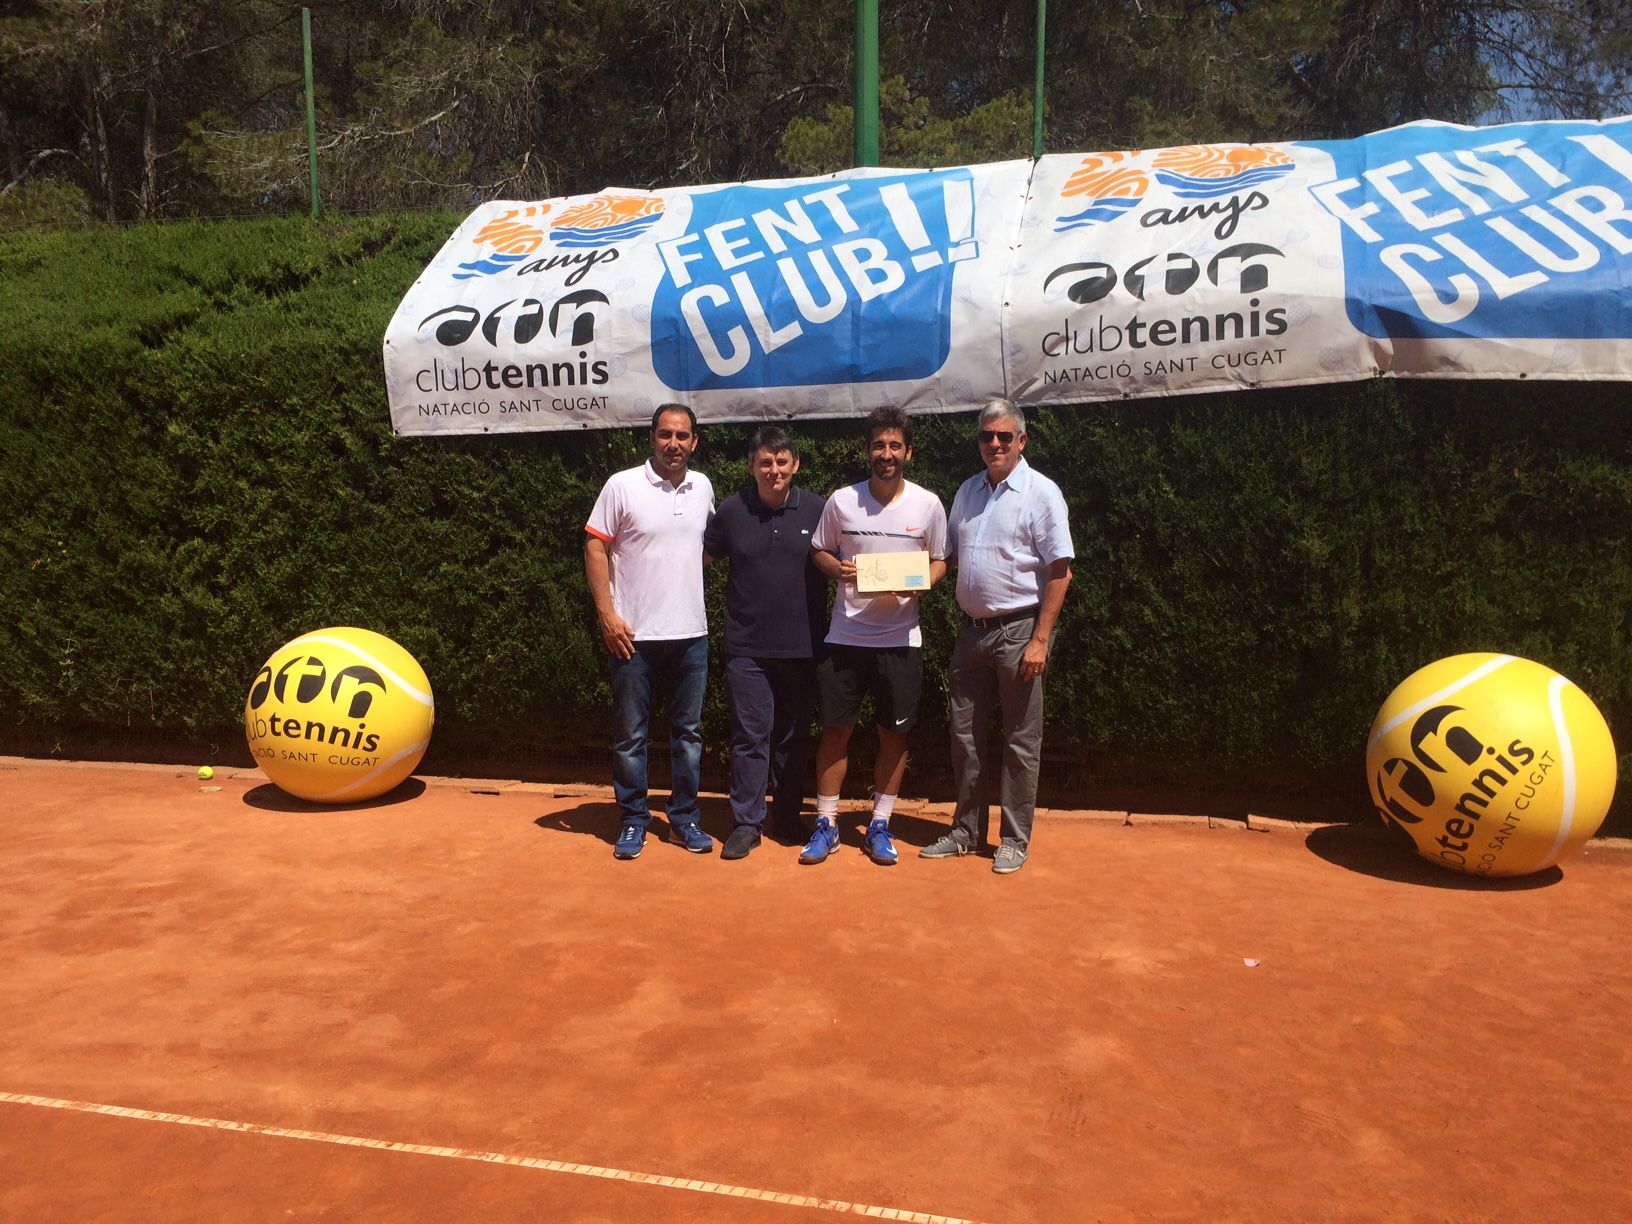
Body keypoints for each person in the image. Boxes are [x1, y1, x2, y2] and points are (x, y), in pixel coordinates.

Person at [921, 399, 1073, 874]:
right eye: (988, 436)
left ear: (1021, 441)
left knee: (1020, 742)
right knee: (964, 738)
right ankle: (966, 832)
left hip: (1019, 633)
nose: (995, 444)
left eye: (1005, 436)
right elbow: (945, 558)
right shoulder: (966, 492)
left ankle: (1013, 839)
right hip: (970, 635)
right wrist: (899, 582)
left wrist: (1041, 639)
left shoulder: (1042, 493)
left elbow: (1061, 571)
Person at [806, 407, 948, 866]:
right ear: (867, 450)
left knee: (893, 738)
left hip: (900, 642)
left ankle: (880, 824)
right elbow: (820, 551)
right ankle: (826, 824)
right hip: (846, 639)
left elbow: (941, 560)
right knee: (835, 733)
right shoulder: (842, 500)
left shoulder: (928, 504)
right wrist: (837, 568)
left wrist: (921, 581)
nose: (886, 454)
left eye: (894, 446)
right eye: (878, 446)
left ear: (908, 451)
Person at [584, 403, 715, 860]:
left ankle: (684, 819)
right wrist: (607, 614)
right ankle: (634, 820)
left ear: (694, 442)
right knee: (630, 736)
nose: (673, 444)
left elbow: (704, 549)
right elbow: (595, 545)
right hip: (632, 638)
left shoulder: (703, 487)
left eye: (682, 436)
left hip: (691, 635)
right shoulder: (621, 486)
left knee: (688, 735)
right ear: (652, 438)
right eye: (665, 435)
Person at [703, 426, 828, 860]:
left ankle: (788, 816)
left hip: (804, 647)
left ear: (795, 465)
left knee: (793, 737)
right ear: (752, 466)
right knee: (750, 737)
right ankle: (746, 824)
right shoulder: (732, 510)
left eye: (781, 462)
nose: (773, 470)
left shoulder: (818, 508)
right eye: (765, 462)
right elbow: (700, 559)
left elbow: (846, 557)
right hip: (746, 648)